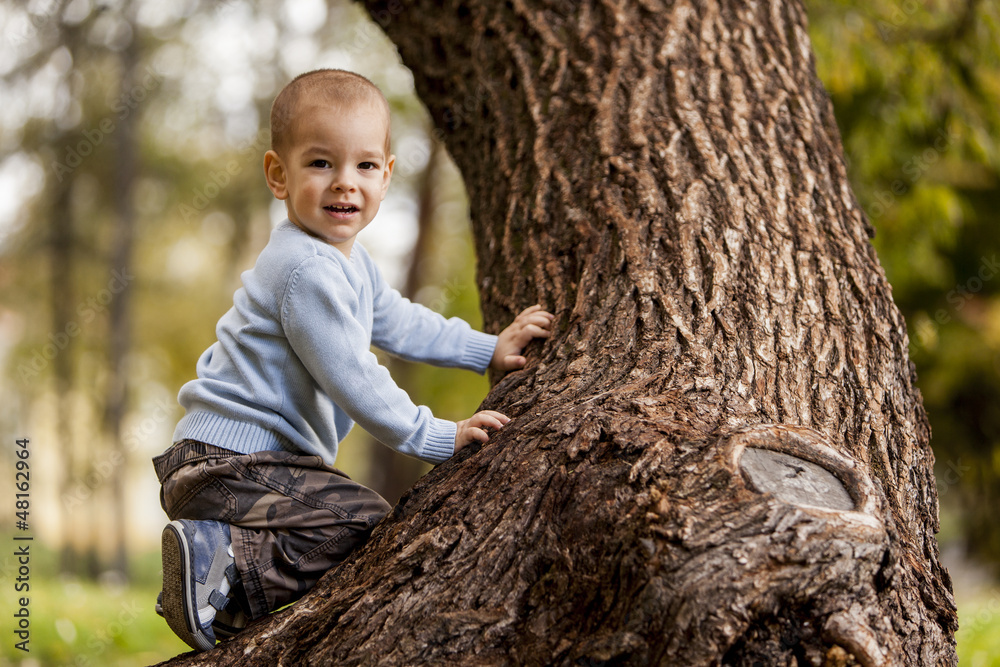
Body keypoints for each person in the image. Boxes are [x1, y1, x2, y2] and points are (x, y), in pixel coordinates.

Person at [153, 68, 554, 652]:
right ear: (278, 175)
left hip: (242, 465)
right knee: (360, 519)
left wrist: (486, 349)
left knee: (348, 516)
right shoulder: (306, 270)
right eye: (320, 164)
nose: (345, 183)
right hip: (230, 462)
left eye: (365, 166)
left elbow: (395, 320)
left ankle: (218, 588)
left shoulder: (347, 260)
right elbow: (354, 377)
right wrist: (436, 435)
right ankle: (223, 562)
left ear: (386, 176)